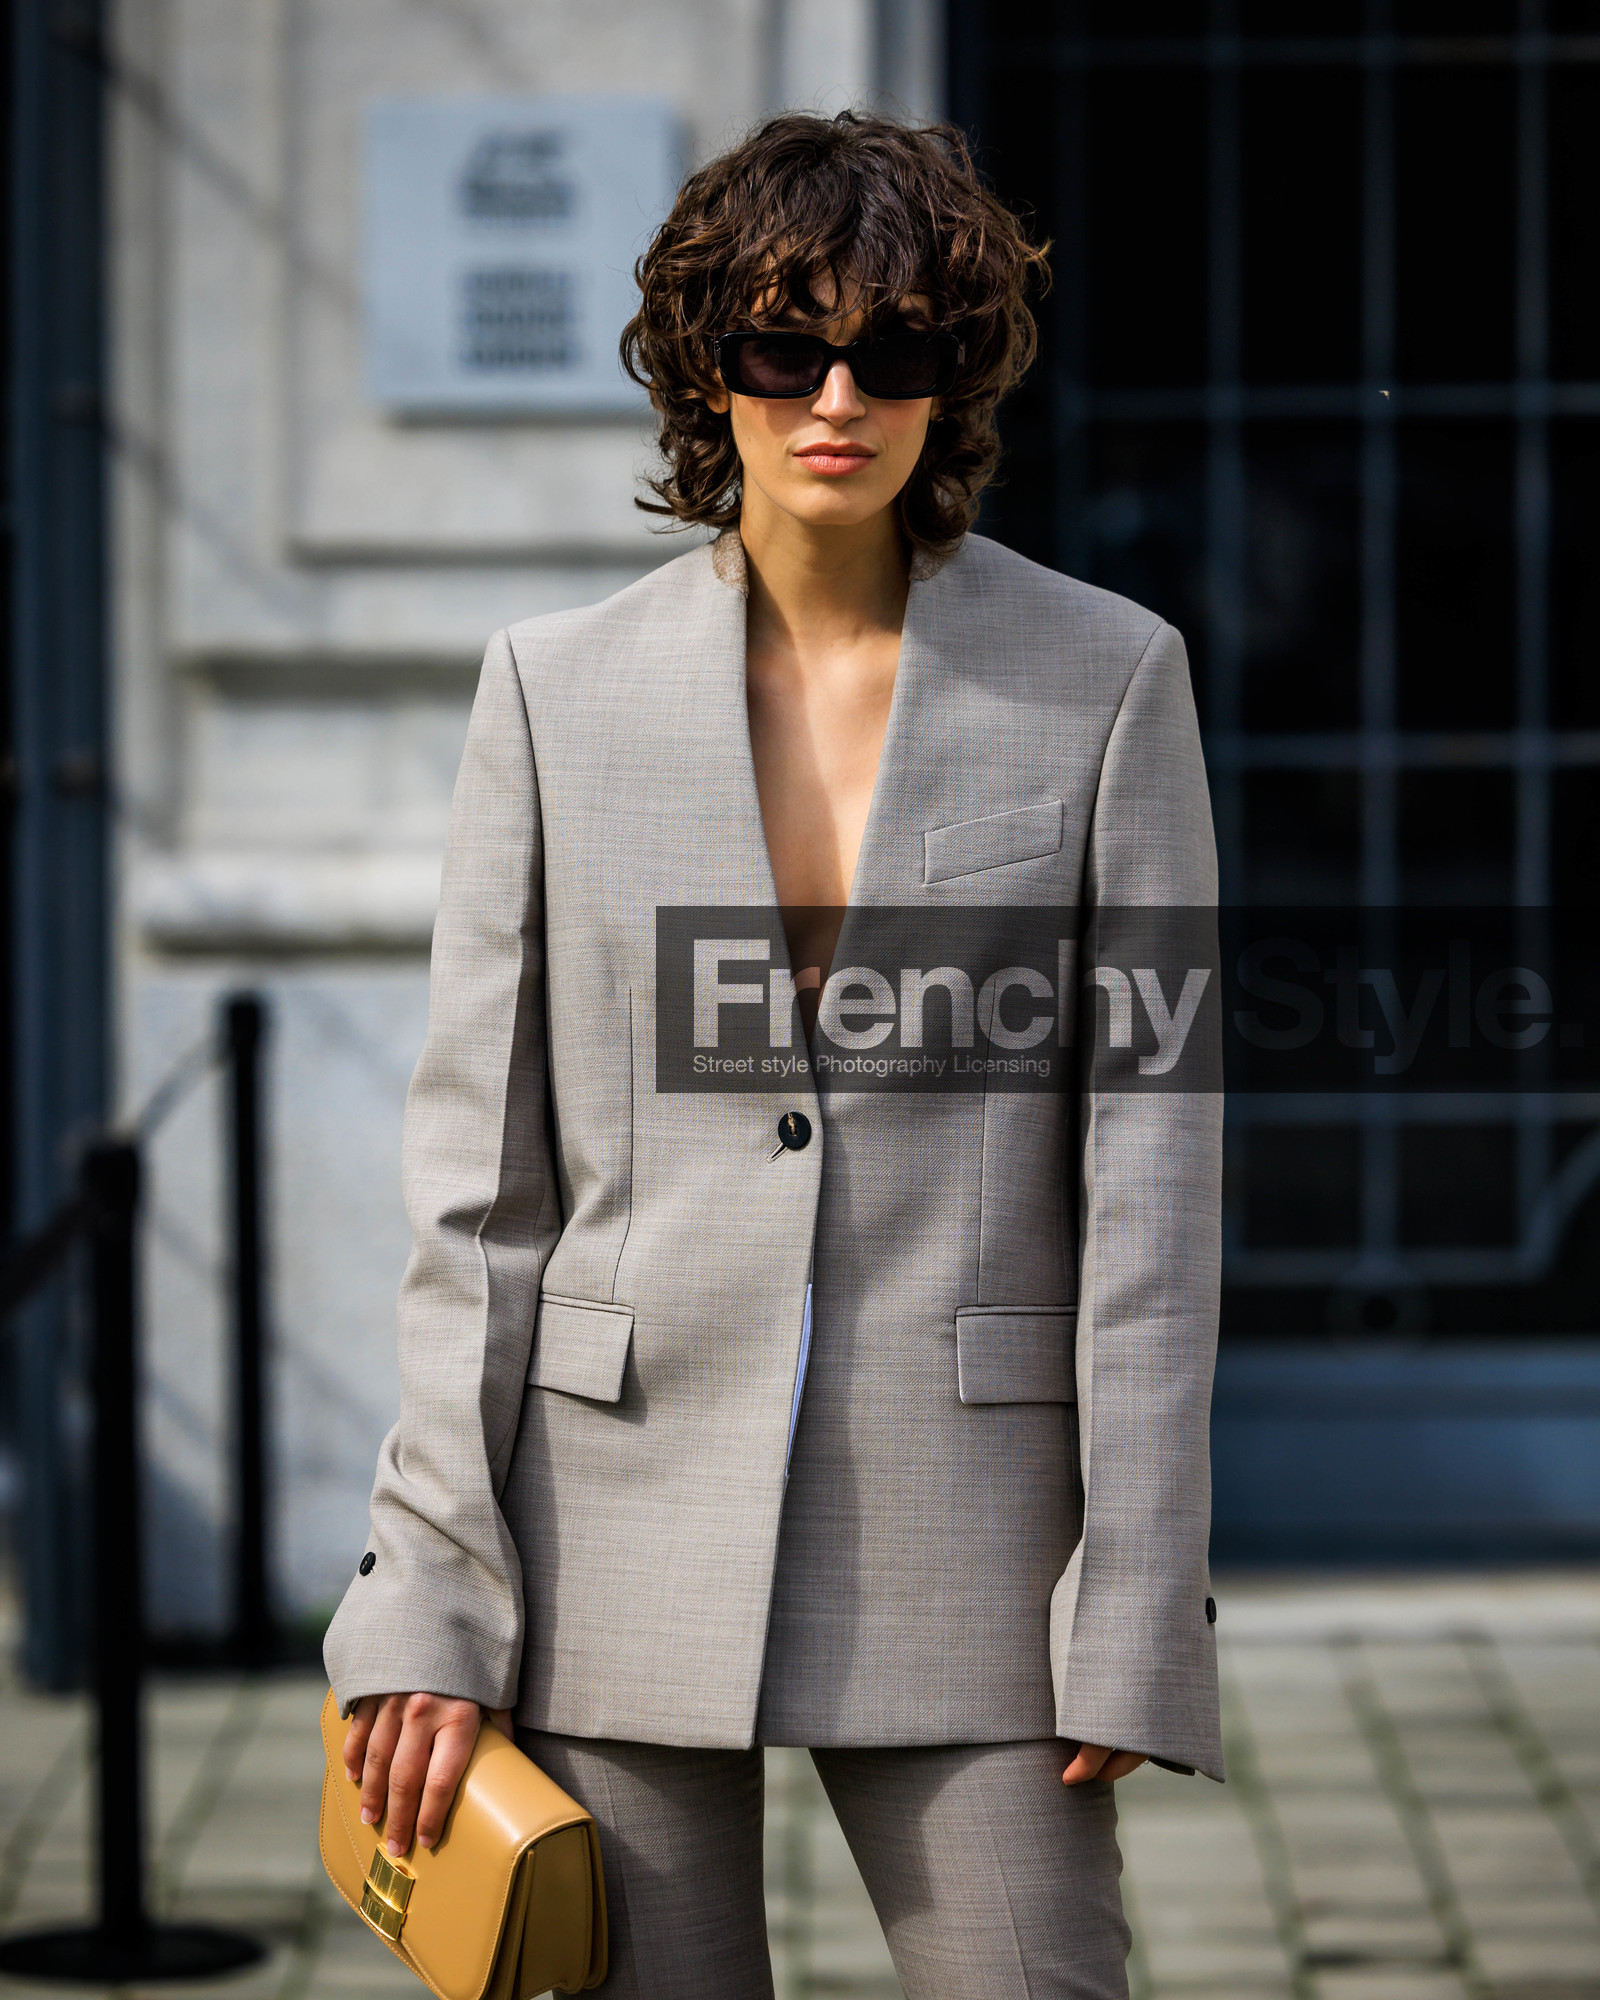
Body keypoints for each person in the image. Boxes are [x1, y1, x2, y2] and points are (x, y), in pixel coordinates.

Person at [324, 109, 1223, 2000]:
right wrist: (422, 1588)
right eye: (781, 342)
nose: (838, 394)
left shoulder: (1110, 678)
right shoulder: (552, 696)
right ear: (702, 364)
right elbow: (476, 1192)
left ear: (950, 373)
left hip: (977, 1545)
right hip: (613, 1526)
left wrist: (1137, 1592)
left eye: (893, 347)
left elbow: (1153, 1178)